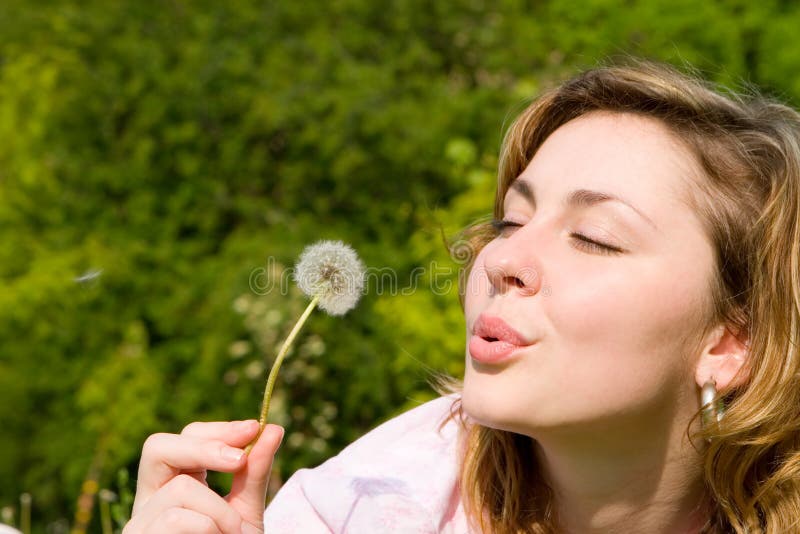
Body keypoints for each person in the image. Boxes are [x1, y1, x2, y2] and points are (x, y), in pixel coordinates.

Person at [123, 57, 800, 533]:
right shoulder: (372, 504)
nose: (503, 257)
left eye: (592, 237)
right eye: (510, 219)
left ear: (729, 342)